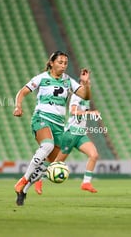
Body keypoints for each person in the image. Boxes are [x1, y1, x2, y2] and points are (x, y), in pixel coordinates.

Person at [13, 50, 91, 206]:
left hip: (58, 124)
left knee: (48, 163)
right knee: (47, 145)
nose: (63, 66)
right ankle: (22, 180)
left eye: (65, 63)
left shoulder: (67, 81)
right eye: (60, 62)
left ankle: (24, 190)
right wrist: (18, 106)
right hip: (41, 118)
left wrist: (86, 84)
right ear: (51, 63)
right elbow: (22, 92)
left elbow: (85, 96)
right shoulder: (42, 78)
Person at [48, 92, 100, 193]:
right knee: (56, 163)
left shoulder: (87, 98)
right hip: (71, 133)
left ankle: (86, 183)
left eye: (89, 82)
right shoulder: (76, 96)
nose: (89, 84)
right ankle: (38, 179)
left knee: (94, 155)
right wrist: (90, 113)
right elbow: (73, 112)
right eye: (86, 82)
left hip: (81, 134)